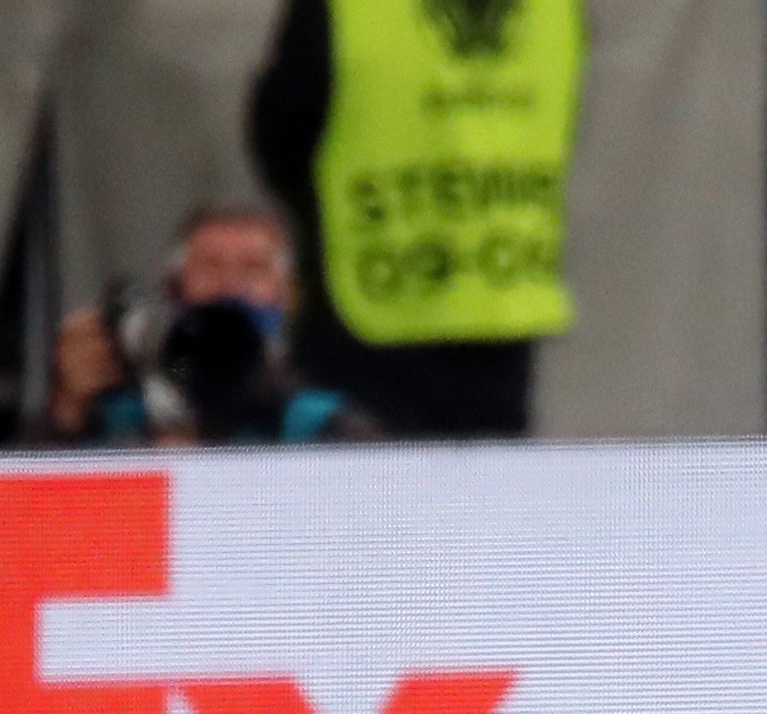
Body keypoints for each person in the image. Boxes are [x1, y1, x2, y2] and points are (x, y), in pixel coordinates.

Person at [245, 0, 581, 438]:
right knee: (486, 497)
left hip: (369, 313)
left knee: (363, 492)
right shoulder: (555, 11)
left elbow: (282, 132)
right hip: (498, 302)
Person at [35, 204, 374, 446]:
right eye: (211, 267)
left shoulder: (316, 418)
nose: (230, 286)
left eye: (252, 269)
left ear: (288, 297)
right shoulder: (120, 413)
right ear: (174, 288)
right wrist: (67, 409)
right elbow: (17, 517)